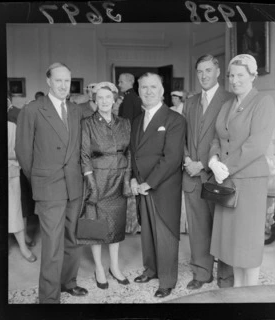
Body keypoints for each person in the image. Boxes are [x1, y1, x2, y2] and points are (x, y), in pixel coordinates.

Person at [15, 62, 88, 303]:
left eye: (67, 81)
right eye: (59, 80)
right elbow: (24, 152)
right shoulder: (33, 110)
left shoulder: (76, 110)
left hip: (74, 185)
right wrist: (39, 179)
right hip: (49, 187)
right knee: (53, 244)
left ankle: (69, 283)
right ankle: (48, 298)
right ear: (48, 81)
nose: (64, 85)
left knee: (72, 239)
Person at [208, 54, 275, 287]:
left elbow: (256, 144)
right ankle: (238, 287)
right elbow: (217, 137)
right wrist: (213, 160)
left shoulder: (262, 102)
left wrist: (225, 168)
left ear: (253, 76)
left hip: (249, 181)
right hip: (226, 179)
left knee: (248, 239)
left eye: (240, 75)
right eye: (231, 75)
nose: (235, 80)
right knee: (232, 240)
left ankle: (252, 289)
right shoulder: (227, 104)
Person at [130, 73, 186, 298]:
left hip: (163, 187)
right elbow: (134, 153)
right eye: (144, 87)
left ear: (163, 91)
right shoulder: (136, 120)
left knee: (165, 234)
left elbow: (172, 158)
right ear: (139, 90)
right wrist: (134, 179)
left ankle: (167, 280)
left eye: (153, 87)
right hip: (142, 185)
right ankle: (151, 270)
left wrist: (148, 183)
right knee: (147, 233)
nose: (148, 91)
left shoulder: (175, 120)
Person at [183, 54, 234, 290]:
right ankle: (202, 274)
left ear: (218, 72)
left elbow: (230, 140)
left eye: (208, 71)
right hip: (191, 176)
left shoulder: (230, 99)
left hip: (217, 175)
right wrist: (187, 160)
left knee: (222, 230)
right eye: (199, 71)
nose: (203, 76)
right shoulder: (190, 102)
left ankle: (226, 278)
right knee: (198, 228)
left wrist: (202, 163)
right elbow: (180, 136)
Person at [80, 81, 131, 289]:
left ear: (114, 99)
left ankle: (115, 267)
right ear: (94, 100)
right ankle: (99, 267)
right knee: (95, 223)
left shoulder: (124, 123)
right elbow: (84, 154)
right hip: (98, 178)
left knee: (116, 224)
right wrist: (91, 182)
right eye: (99, 97)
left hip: (119, 178)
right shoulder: (87, 123)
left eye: (107, 97)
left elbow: (129, 152)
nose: (104, 101)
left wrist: (127, 178)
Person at [7, 95, 36, 247]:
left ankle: (24, 235)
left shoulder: (17, 115)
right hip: (17, 165)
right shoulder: (16, 115)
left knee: (22, 203)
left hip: (21, 165)